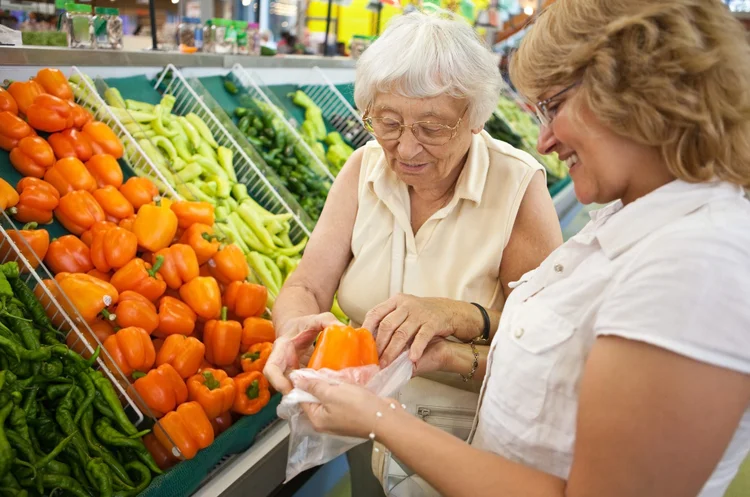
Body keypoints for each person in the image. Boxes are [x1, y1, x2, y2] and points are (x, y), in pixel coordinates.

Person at [283, 1, 750, 496]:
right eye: (388, 122)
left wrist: (382, 417)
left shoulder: (699, 263)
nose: (544, 140)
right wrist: (441, 357)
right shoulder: (629, 223)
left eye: (554, 105)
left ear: (636, 97)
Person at [264, 9, 562, 497]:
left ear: (475, 118)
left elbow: (547, 350)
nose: (405, 147)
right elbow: (306, 286)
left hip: (470, 453)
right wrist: (295, 328)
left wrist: (457, 324)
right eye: (387, 122)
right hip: (361, 439)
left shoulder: (516, 185)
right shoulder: (363, 168)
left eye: (433, 127)